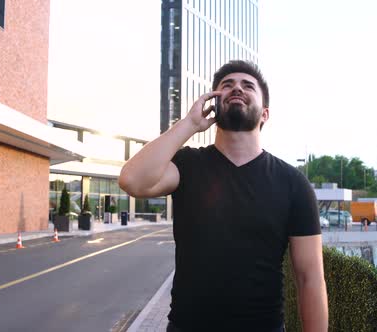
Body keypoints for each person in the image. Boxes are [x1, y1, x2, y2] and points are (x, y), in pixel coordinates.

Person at [119, 60, 328, 331]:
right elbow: (132, 180)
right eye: (226, 86)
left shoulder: (293, 183)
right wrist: (190, 124)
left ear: (264, 114)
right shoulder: (186, 165)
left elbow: (310, 278)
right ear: (213, 106)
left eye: (247, 85)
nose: (236, 88)